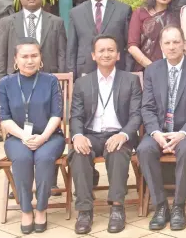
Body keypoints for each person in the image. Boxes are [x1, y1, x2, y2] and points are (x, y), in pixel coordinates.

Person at [69, 35, 142, 234]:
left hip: (119, 134)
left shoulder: (131, 80)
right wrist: (77, 136)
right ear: (93, 55)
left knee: (118, 152)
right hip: (90, 135)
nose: (106, 54)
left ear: (118, 55)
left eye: (111, 50)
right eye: (101, 50)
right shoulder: (82, 83)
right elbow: (75, 115)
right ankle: (84, 210)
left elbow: (137, 115)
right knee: (78, 153)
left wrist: (125, 134)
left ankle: (117, 207)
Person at [138, 25, 186, 231]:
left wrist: (183, 133)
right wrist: (156, 133)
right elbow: (147, 107)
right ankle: (160, 206)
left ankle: (178, 206)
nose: (172, 47)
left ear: (184, 44)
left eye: (176, 42)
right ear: (160, 46)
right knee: (144, 149)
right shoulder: (152, 70)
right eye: (167, 43)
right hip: (159, 130)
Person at [0, 38, 65, 234]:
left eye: (34, 55)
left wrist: (42, 137)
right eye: (24, 56)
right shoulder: (5, 83)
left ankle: (42, 208)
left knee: (43, 158)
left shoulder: (50, 80)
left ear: (40, 58)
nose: (29, 60)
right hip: (17, 138)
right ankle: (26, 210)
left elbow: (56, 115)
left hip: (50, 137)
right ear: (15, 60)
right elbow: (4, 118)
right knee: (23, 158)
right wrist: (24, 137)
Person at [0, 0, 66, 82]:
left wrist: (61, 83)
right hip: (15, 81)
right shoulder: (7, 23)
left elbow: (62, 55)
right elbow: (1, 58)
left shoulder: (56, 22)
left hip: (48, 80)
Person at [67, 0, 133, 78]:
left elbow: (129, 46)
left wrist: (128, 72)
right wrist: (71, 77)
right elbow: (71, 48)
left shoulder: (123, 10)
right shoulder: (76, 13)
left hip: (117, 70)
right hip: (84, 71)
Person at [127, 0, 181, 72]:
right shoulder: (140, 13)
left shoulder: (179, 15)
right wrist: (153, 68)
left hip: (175, 70)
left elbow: (184, 44)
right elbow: (132, 47)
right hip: (146, 70)